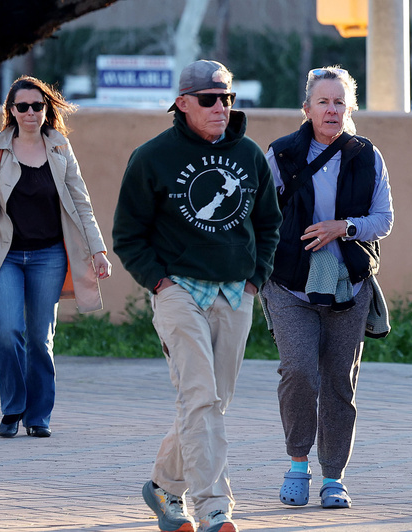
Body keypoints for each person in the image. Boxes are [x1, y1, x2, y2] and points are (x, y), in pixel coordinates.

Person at [113, 60, 281, 532]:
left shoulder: (248, 155)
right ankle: (213, 509)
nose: (220, 108)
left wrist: (255, 279)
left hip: (235, 292)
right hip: (178, 290)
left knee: (209, 402)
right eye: (209, 99)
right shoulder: (152, 157)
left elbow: (269, 224)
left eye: (227, 97)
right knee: (200, 396)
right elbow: (128, 234)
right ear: (182, 103)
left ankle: (164, 487)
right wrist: (159, 282)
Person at [261, 66, 393, 510]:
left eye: (340, 102)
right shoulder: (279, 155)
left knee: (340, 382)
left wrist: (345, 227)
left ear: (350, 107)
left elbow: (384, 219)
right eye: (323, 101)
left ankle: (333, 477)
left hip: (348, 286)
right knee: (299, 372)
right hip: (290, 285)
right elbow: (260, 217)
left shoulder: (367, 156)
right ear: (307, 108)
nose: (332, 109)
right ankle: (298, 465)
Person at [0, 76, 111, 439]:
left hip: (49, 256)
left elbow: (81, 203)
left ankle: (38, 415)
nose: (30, 113)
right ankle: (12, 409)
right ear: (10, 111)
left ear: (47, 110)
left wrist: (98, 250)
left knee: (41, 339)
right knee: (8, 331)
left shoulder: (60, 148)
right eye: (22, 106)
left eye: (37, 106)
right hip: (5, 255)